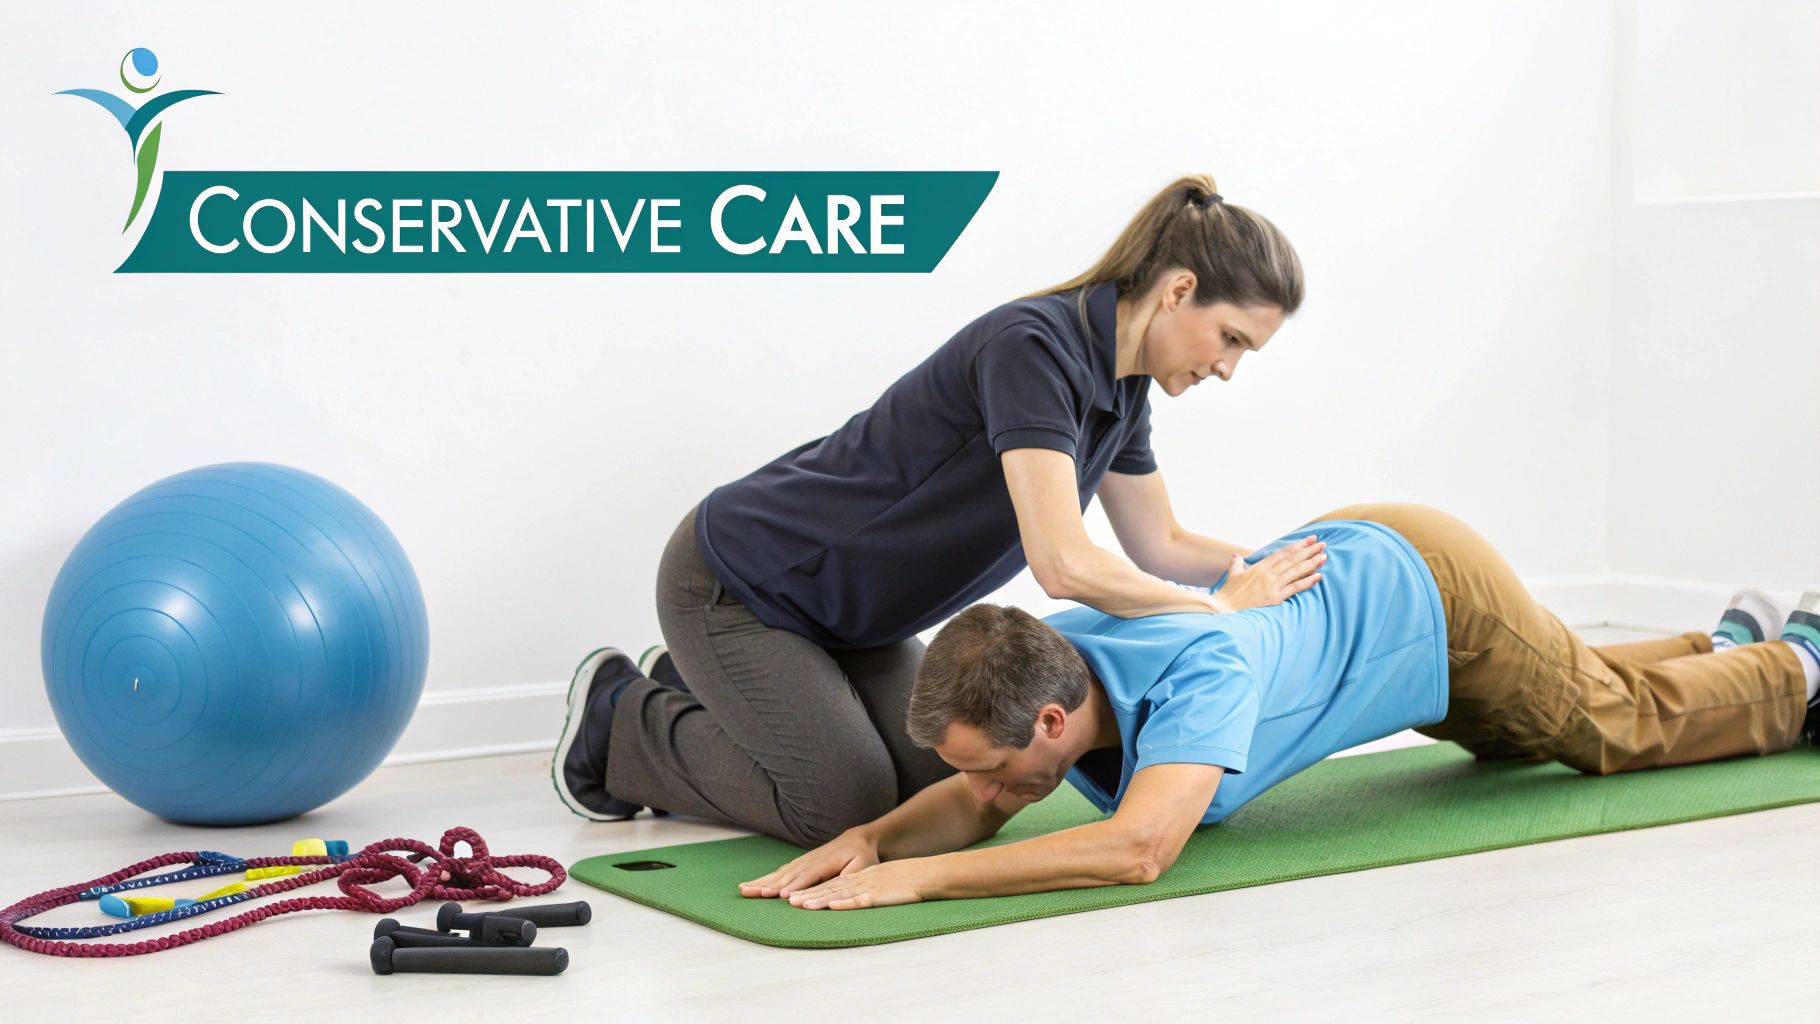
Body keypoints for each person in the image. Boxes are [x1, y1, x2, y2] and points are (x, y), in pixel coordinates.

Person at [552, 175, 1323, 846]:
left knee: (941, 779)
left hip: (860, 618)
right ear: (1179, 289)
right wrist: (1218, 613)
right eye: (1230, 339)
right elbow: (1064, 564)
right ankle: (621, 717)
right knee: (840, 804)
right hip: (744, 584)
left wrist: (1275, 572)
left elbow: (1160, 540)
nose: (1226, 369)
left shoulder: (1124, 391)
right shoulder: (1035, 349)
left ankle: (711, 690)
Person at [737, 502, 1820, 910]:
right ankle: (1728, 643)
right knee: (1533, 722)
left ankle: (1803, 654)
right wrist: (869, 839)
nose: (977, 792)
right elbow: (979, 807)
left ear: (1052, 723)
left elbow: (1134, 850)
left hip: (1431, 601)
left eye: (984, 766)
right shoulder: (1047, 668)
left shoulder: (1194, 681)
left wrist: (919, 880)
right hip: (1375, 595)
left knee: (1608, 730)